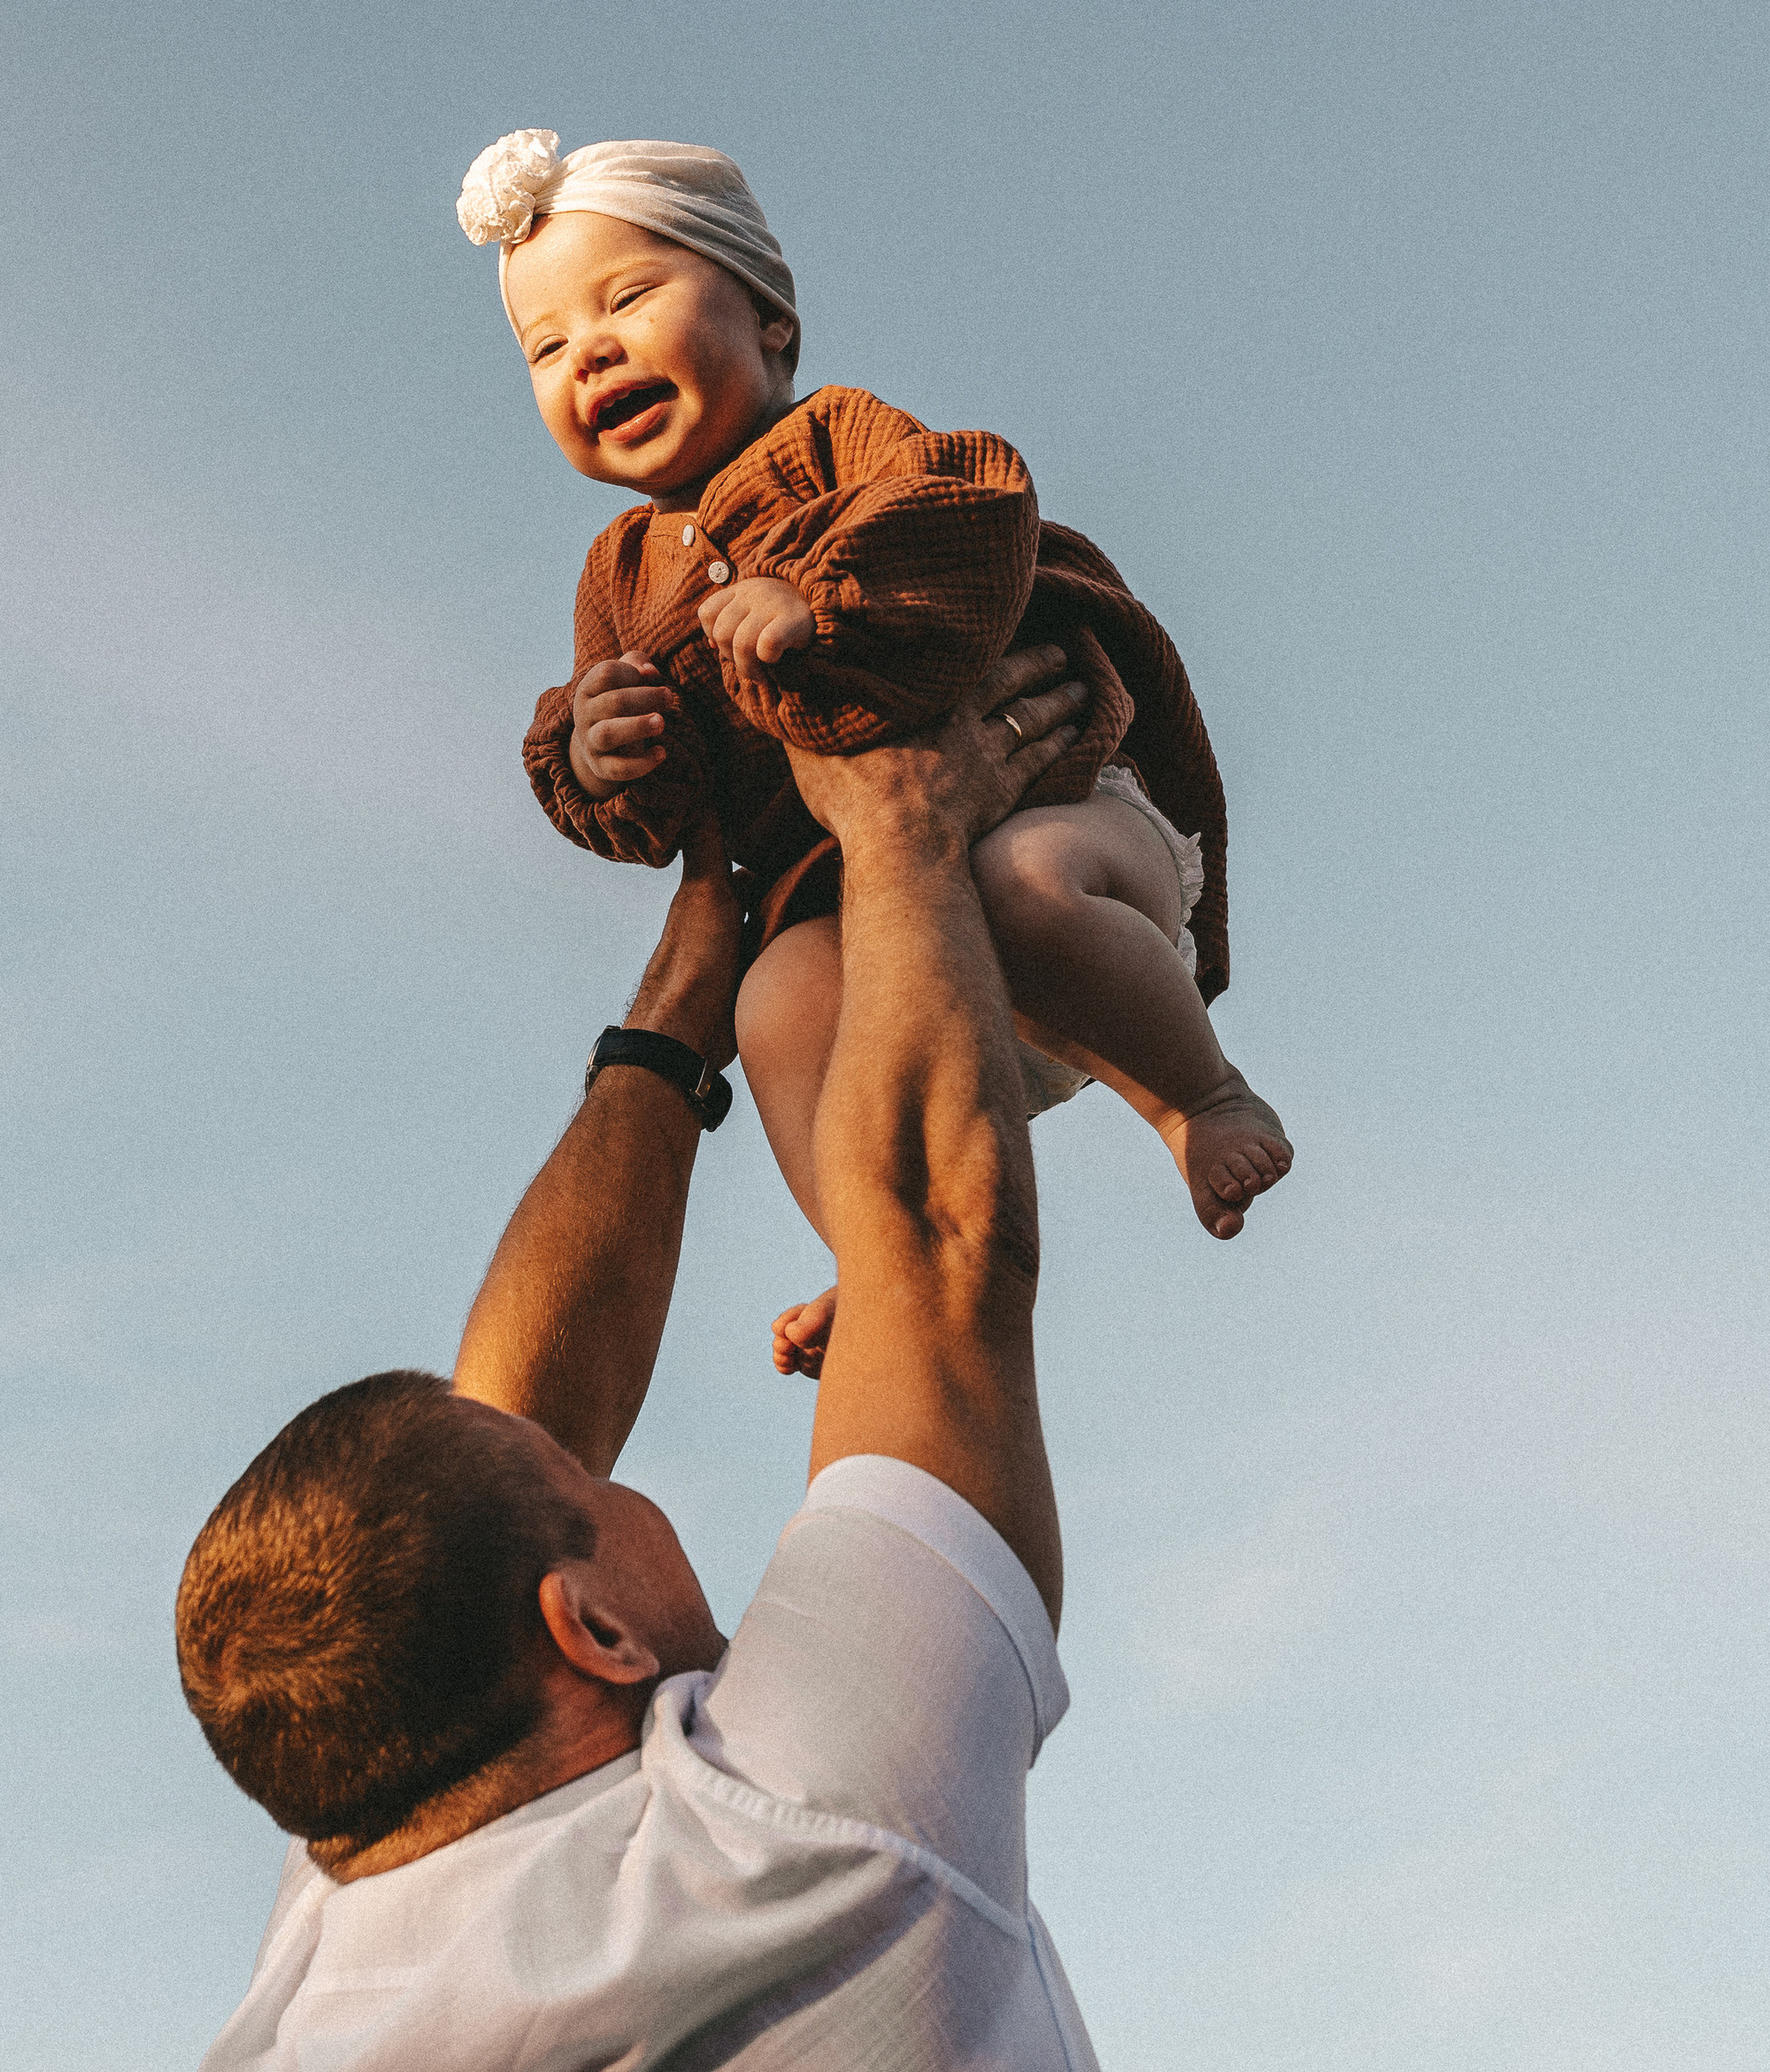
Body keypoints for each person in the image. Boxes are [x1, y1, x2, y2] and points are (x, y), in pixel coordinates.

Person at [178, 651, 1244, 2072]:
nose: (614, 1462)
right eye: (597, 1494)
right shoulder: (806, 1843)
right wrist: (899, 830)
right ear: (587, 1626)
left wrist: (688, 982)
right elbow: (937, 1241)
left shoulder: (305, 2038)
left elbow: (501, 1444)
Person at [458, 128, 1290, 1382]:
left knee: (1020, 882)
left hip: (1053, 813)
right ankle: (877, 1239)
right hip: (864, 923)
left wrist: (825, 596)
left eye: (626, 298)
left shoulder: (837, 439)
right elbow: (656, 802)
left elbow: (971, 507)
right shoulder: (617, 577)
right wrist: (599, 749)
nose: (592, 351)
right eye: (546, 345)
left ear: (772, 324)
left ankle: (1197, 1096)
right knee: (773, 1005)